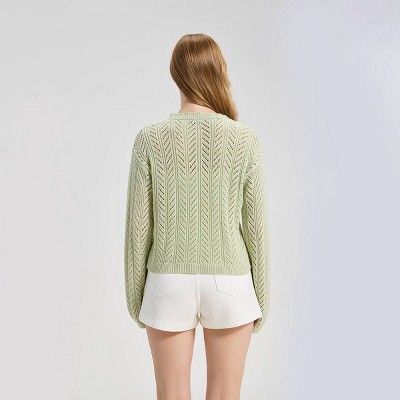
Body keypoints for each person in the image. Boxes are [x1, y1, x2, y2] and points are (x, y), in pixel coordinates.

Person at [124, 33, 271, 399]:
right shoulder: (244, 139)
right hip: (231, 281)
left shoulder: (150, 138)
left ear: (175, 74)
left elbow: (137, 230)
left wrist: (136, 299)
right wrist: (262, 300)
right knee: (225, 393)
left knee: (171, 393)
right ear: (219, 71)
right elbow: (256, 229)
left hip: (167, 280)